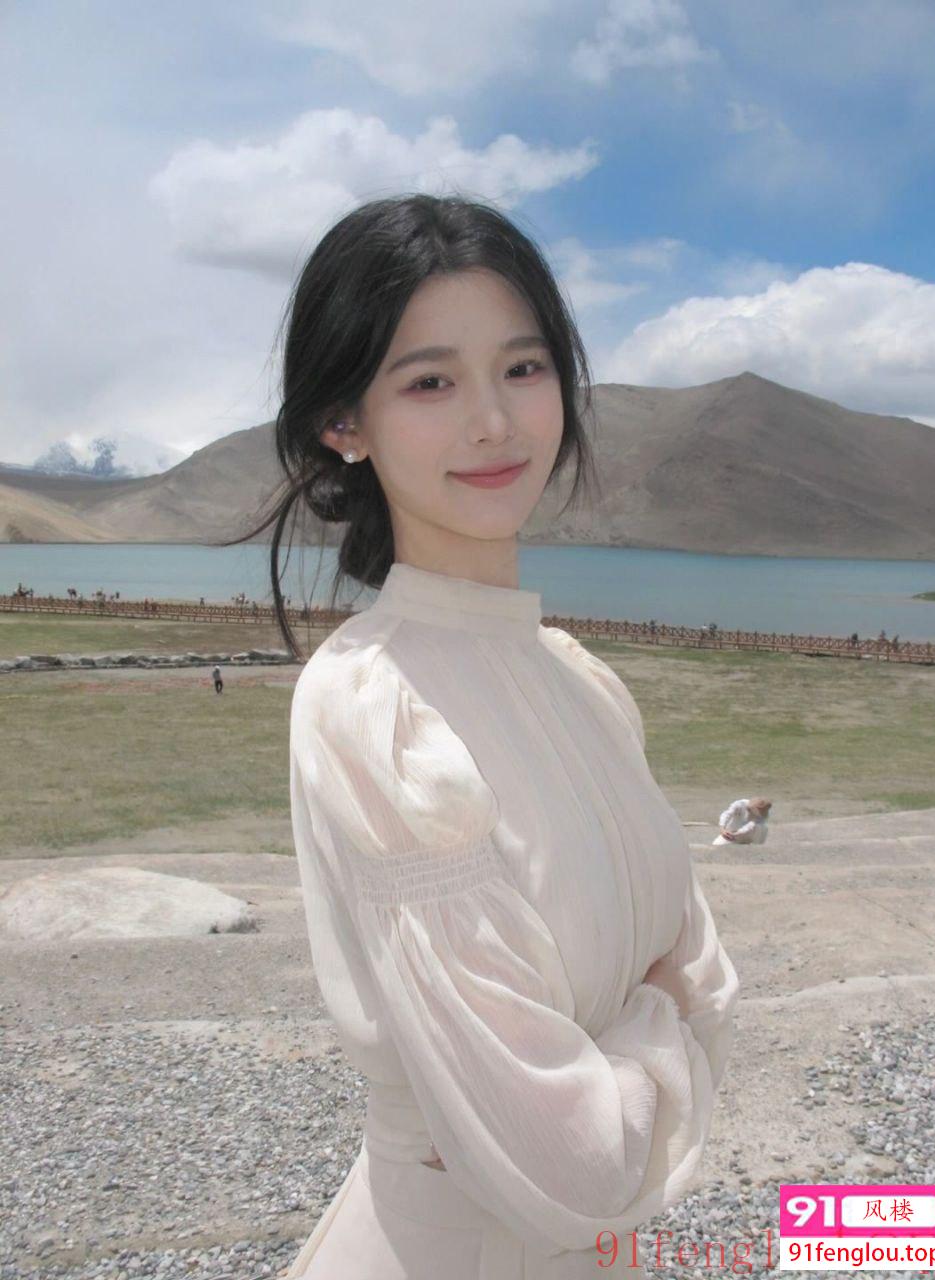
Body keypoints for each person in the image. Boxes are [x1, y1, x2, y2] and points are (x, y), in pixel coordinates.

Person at [263, 194, 739, 1278]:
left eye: (523, 368)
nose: (494, 422)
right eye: (430, 382)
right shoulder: (371, 706)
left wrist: (627, 1040)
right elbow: (574, 1160)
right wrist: (656, 1012)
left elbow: (713, 977)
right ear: (344, 422)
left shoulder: (583, 682)